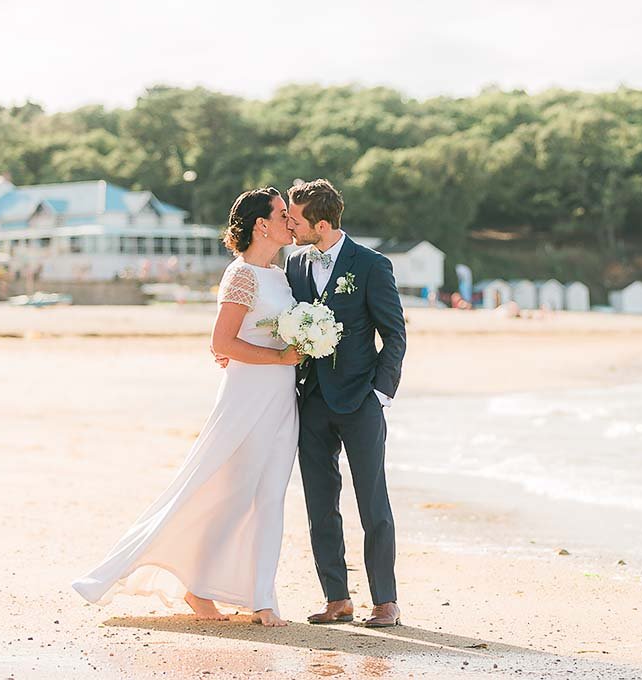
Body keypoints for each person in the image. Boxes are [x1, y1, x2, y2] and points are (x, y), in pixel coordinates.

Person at [72, 188, 302, 627]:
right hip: (247, 395)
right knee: (234, 496)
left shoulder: (281, 276)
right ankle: (198, 588)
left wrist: (299, 348)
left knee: (271, 496)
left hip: (281, 397)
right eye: (282, 214)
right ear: (262, 225)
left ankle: (262, 599)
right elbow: (223, 343)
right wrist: (278, 358)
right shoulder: (242, 276)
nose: (290, 221)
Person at [284, 179, 407, 628]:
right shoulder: (294, 262)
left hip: (361, 401)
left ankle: (385, 601)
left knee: (372, 500)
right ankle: (337, 598)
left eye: (294, 220)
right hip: (312, 399)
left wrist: (380, 393)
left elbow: (394, 333)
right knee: (320, 501)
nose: (288, 226)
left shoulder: (372, 265)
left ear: (320, 222)